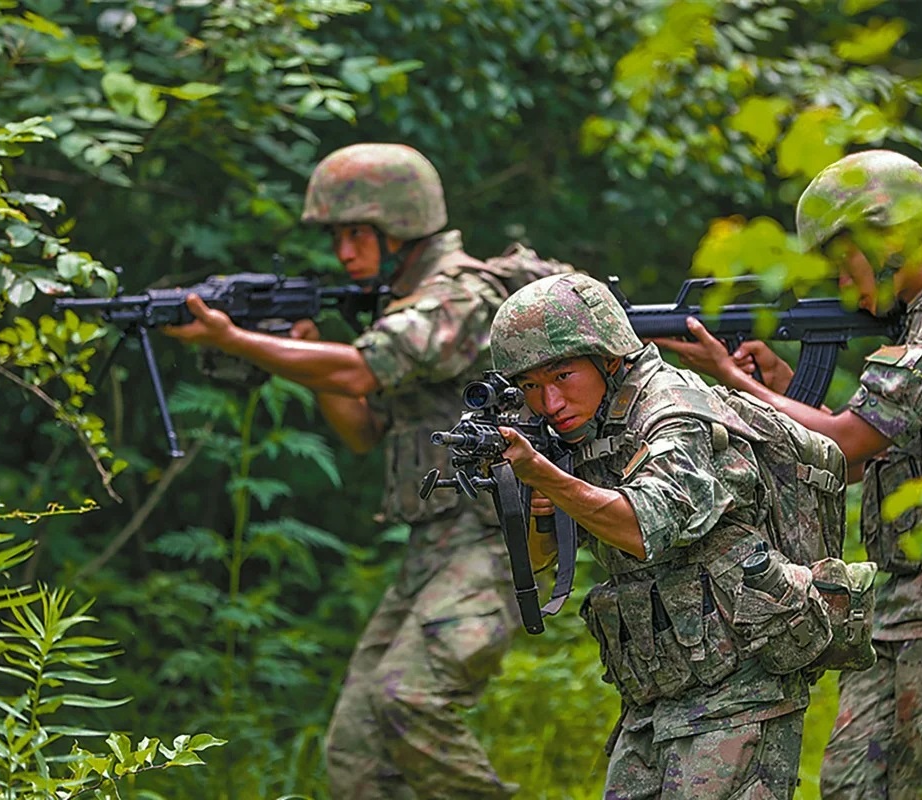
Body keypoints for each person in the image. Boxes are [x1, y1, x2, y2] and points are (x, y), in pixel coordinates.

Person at [650, 149, 922, 799]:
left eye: (843, 263)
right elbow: (857, 457)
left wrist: (731, 382)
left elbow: (850, 437)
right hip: (901, 606)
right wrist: (772, 385)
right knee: (849, 786)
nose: (842, 287)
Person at [164, 143, 541, 799]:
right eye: (336, 236)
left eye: (355, 233)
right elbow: (365, 429)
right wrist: (302, 355)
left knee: (410, 700)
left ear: (402, 225)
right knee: (358, 753)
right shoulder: (405, 300)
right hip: (437, 544)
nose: (342, 252)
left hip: (495, 538)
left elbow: (363, 369)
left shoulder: (457, 295)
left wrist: (234, 339)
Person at [488, 271, 838, 800]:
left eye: (562, 376)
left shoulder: (672, 409)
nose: (549, 402)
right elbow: (540, 563)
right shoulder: (584, 426)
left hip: (740, 685)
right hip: (657, 695)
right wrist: (535, 500)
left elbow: (646, 524)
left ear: (608, 357)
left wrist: (547, 478)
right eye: (531, 387)